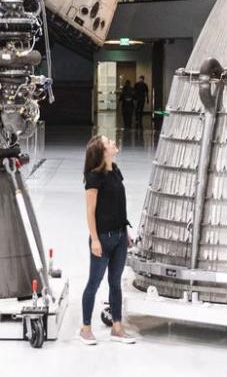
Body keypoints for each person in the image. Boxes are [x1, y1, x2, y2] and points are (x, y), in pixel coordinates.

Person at [79, 135, 136, 345]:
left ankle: (117, 328)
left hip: (120, 237)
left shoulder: (116, 171)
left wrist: (125, 231)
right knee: (94, 283)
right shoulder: (94, 178)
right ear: (103, 151)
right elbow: (90, 212)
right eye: (108, 142)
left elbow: (118, 205)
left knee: (115, 283)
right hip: (102, 238)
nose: (113, 143)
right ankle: (85, 329)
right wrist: (94, 239)